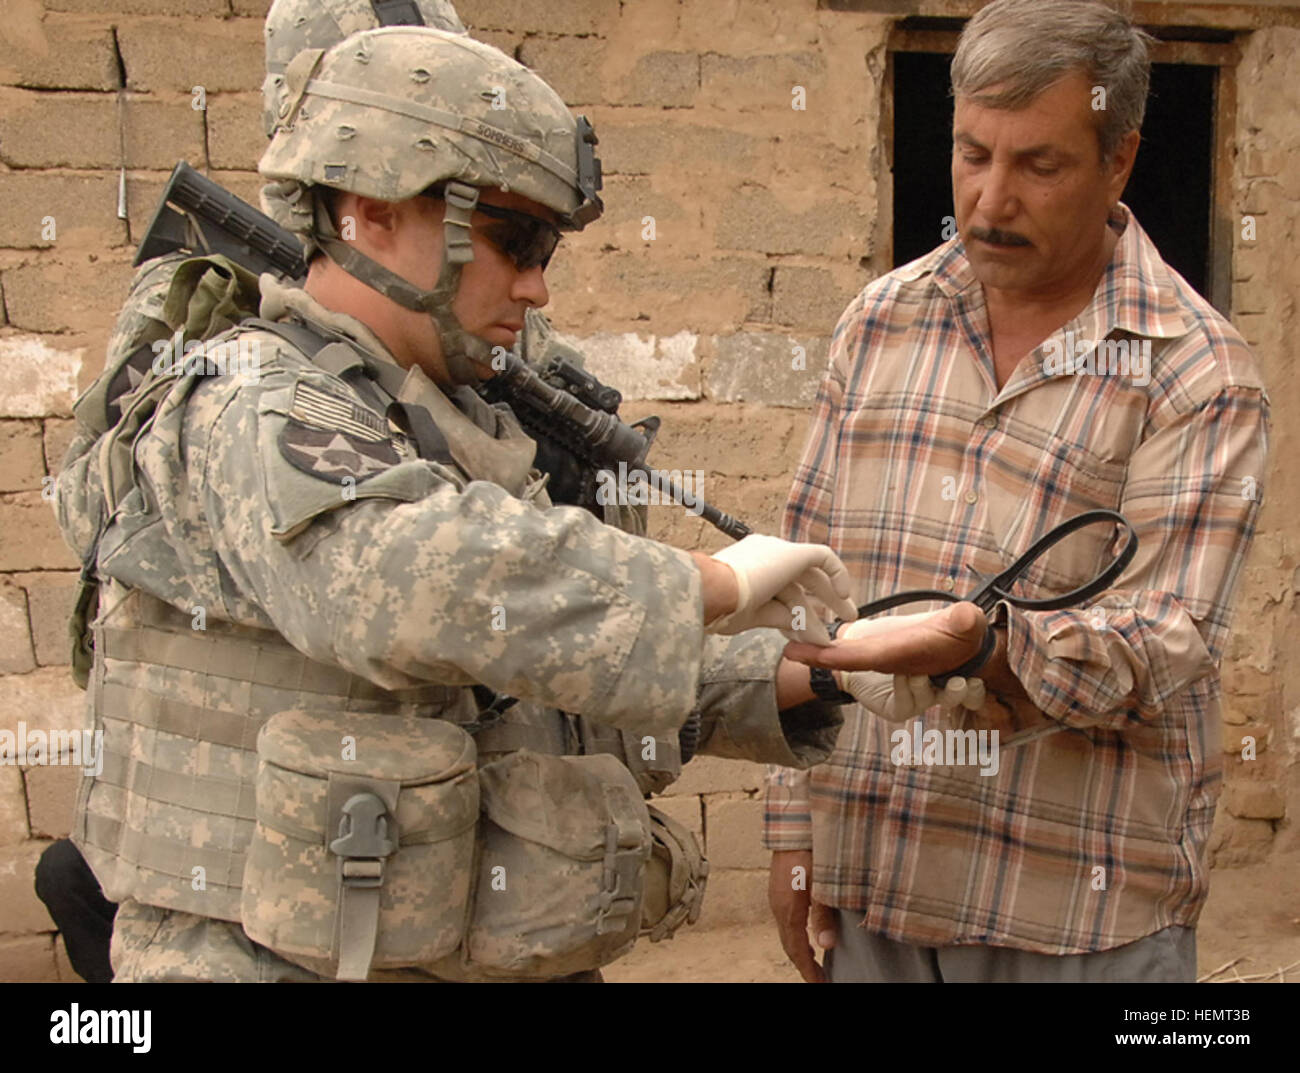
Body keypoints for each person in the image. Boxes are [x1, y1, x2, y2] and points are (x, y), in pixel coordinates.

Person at [55, 26, 986, 983]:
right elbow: (406, 580)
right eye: (515, 239)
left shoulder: (456, 421)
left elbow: (559, 691)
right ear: (370, 207)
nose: (538, 284)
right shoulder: (245, 401)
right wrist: (709, 582)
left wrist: (827, 673)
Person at [766, 0, 1269, 984]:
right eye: (971, 154)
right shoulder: (880, 323)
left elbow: (1169, 637)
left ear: (1117, 160)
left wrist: (993, 649)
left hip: (1083, 915)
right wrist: (794, 828)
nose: (992, 200)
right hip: (882, 881)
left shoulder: (1198, 371)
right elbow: (802, 592)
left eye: (1038, 164)